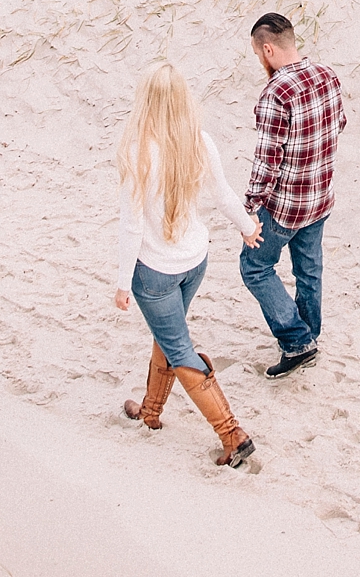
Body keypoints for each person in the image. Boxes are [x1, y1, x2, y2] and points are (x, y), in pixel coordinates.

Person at [112, 61, 263, 468]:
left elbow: (131, 226)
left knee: (179, 347)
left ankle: (234, 435)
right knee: (170, 333)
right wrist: (249, 228)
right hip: (195, 260)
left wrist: (123, 283)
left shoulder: (137, 150)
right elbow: (225, 195)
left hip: (155, 270)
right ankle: (150, 412)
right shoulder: (200, 141)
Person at [238, 12, 345, 379]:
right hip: (321, 196)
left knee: (254, 267)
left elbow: (267, 160)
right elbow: (339, 125)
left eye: (258, 54)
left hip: (285, 206)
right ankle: (309, 334)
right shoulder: (327, 75)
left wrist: (249, 208)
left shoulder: (276, 92)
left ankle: (297, 341)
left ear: (267, 49)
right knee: (309, 268)